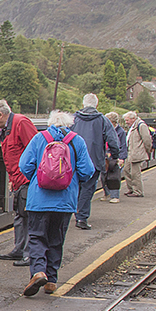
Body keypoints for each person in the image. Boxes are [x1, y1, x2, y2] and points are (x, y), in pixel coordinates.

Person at [19, 111, 95, 296]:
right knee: (56, 239)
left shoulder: (39, 138)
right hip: (65, 201)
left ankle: (38, 271)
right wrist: (72, 181)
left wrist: (38, 179)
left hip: (39, 200)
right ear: (69, 125)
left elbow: (24, 165)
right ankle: (51, 281)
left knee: (37, 237)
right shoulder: (76, 141)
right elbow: (87, 170)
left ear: (50, 123)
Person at [0, 99, 35, 267]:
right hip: (17, 180)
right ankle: (19, 249)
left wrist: (29, 177)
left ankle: (30, 254)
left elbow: (34, 148)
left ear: (0, 114)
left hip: (27, 180)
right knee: (20, 216)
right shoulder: (6, 129)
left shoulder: (21, 123)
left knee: (28, 216)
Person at [70, 94, 119, 230]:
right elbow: (113, 141)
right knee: (87, 189)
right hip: (94, 160)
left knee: (74, 187)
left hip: (74, 161)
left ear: (83, 104)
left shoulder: (73, 119)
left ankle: (72, 213)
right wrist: (114, 156)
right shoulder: (103, 120)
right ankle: (81, 218)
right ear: (96, 105)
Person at [122, 111, 151, 197]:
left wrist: (147, 150)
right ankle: (131, 189)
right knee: (126, 170)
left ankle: (138, 191)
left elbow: (147, 139)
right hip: (130, 153)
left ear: (133, 119)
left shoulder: (141, 125)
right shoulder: (133, 126)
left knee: (135, 173)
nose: (126, 122)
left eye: (127, 120)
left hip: (137, 153)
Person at [103, 112, 127, 203]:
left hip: (115, 156)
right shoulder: (105, 130)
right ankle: (106, 193)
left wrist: (121, 158)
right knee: (103, 176)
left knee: (114, 177)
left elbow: (123, 146)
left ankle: (115, 196)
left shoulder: (121, 132)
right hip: (106, 156)